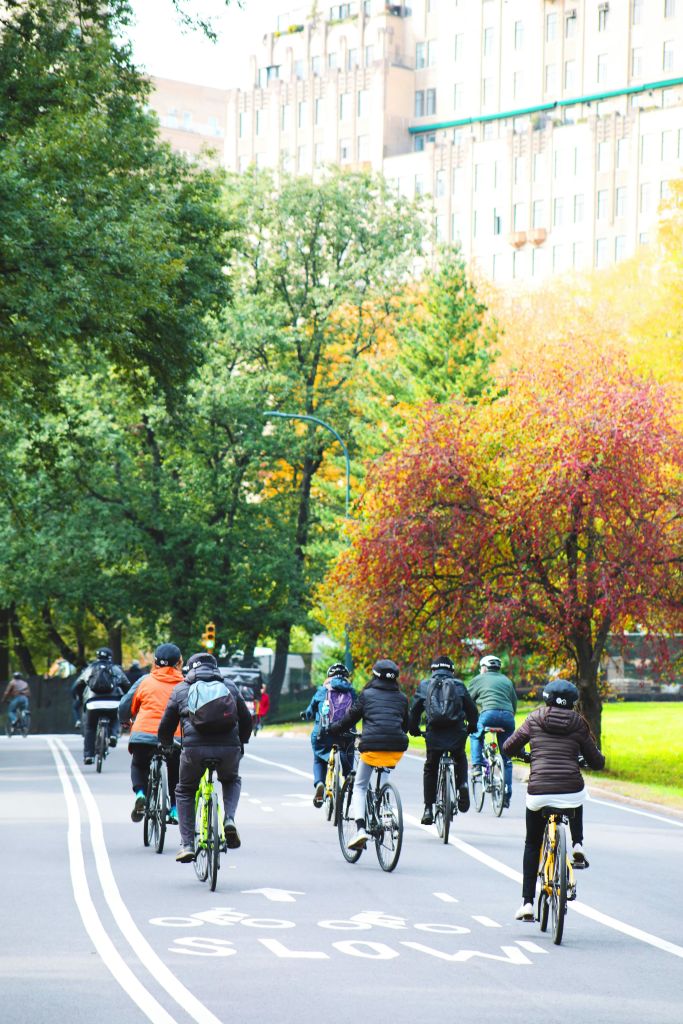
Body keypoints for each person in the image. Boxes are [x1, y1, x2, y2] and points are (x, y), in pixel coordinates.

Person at [503, 678, 605, 922]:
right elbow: (597, 761)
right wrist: (586, 760)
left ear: (546, 697)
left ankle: (527, 903)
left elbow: (508, 747)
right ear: (572, 702)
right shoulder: (579, 722)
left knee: (532, 844)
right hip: (570, 790)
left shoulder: (535, 717)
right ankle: (577, 845)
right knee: (576, 793)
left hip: (539, 793)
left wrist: (525, 755)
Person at [158, 651, 253, 863]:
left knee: (185, 790)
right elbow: (246, 721)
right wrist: (241, 743)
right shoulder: (229, 687)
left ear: (190, 669)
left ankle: (187, 845)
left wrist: (166, 745)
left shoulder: (182, 688)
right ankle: (229, 819)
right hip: (228, 748)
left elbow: (166, 725)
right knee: (230, 779)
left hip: (194, 750)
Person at [328, 658, 409, 850]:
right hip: (396, 748)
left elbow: (349, 718)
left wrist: (335, 728)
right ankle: (386, 812)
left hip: (371, 746)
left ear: (374, 675)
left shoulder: (367, 695)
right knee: (384, 771)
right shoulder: (402, 698)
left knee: (360, 785)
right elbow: (407, 724)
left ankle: (360, 829)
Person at [118, 643, 184, 825]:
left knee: (139, 765)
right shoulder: (185, 683)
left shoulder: (144, 681)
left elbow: (125, 706)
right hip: (174, 737)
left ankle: (140, 794)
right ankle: (175, 810)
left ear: (155, 662)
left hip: (143, 734)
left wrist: (125, 720)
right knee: (176, 771)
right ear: (179, 662)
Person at [409, 655, 479, 824]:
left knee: (431, 767)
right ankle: (462, 785)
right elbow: (472, 710)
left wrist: (414, 730)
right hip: (456, 733)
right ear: (452, 671)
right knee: (460, 756)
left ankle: (428, 808)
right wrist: (472, 727)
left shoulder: (425, 685)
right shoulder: (459, 685)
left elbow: (415, 711)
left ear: (433, 670)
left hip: (434, 734)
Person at [300, 663, 356, 807]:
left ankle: (320, 783)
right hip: (345, 734)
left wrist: (306, 715)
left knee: (319, 758)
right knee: (347, 750)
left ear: (329, 676)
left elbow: (310, 711)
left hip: (323, 733)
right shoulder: (352, 692)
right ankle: (348, 776)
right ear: (346, 677)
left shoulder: (322, 690)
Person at [468, 654, 518, 808]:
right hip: (508, 717)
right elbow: (514, 702)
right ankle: (506, 795)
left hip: (488, 714)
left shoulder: (478, 679)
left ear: (484, 668)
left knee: (475, 734)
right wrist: (510, 716)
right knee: (507, 756)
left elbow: (468, 700)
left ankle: (476, 765)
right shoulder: (507, 680)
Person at [74, 647, 127, 764]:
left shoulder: (90, 668)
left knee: (90, 727)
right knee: (116, 718)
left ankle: (89, 756)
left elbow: (77, 685)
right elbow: (126, 684)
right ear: (110, 657)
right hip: (113, 702)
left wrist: (79, 697)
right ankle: (113, 734)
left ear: (97, 656)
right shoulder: (115, 669)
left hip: (92, 703)